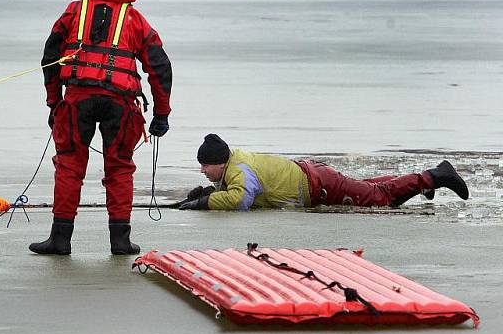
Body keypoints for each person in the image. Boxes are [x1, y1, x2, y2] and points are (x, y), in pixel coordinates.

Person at [30, 0, 173, 255]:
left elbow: (50, 58)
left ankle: (60, 240)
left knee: (69, 165)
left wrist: (54, 102)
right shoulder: (135, 19)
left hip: (77, 99)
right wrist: (161, 113)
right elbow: (159, 67)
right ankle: (120, 241)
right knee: (120, 168)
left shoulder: (73, 12)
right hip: (120, 104)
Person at [179, 134, 469, 211]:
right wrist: (208, 193)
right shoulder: (235, 165)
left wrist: (206, 202)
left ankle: (435, 176)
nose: (202, 170)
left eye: (205, 165)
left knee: (379, 199)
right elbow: (239, 192)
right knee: (366, 187)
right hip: (315, 178)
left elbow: (241, 200)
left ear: (220, 163)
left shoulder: (239, 170)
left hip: (319, 186)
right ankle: (419, 183)